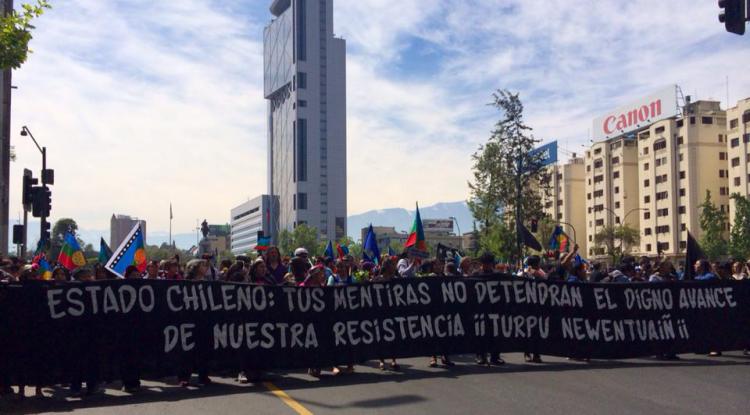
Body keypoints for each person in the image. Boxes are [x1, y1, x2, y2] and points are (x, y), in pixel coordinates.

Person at [178, 259, 212, 387]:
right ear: (194, 268)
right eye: (203, 265)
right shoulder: (186, 283)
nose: (206, 267)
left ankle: (203, 375)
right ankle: (184, 377)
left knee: (204, 348)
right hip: (188, 320)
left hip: (204, 320)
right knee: (187, 350)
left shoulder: (208, 283)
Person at [475, 252, 505, 366]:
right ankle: (480, 356)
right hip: (480, 309)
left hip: (494, 309)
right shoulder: (476, 274)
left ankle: (495, 356)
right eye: (486, 263)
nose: (488, 266)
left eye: (489, 263)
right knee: (480, 333)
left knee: (495, 333)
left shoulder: (497, 275)